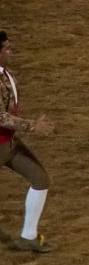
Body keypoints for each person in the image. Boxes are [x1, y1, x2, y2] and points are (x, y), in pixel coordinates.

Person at [0, 30, 57, 253]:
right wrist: (33, 126)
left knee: (40, 179)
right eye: (6, 48)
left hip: (9, 144)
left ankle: (29, 236)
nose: (10, 51)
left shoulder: (6, 75)